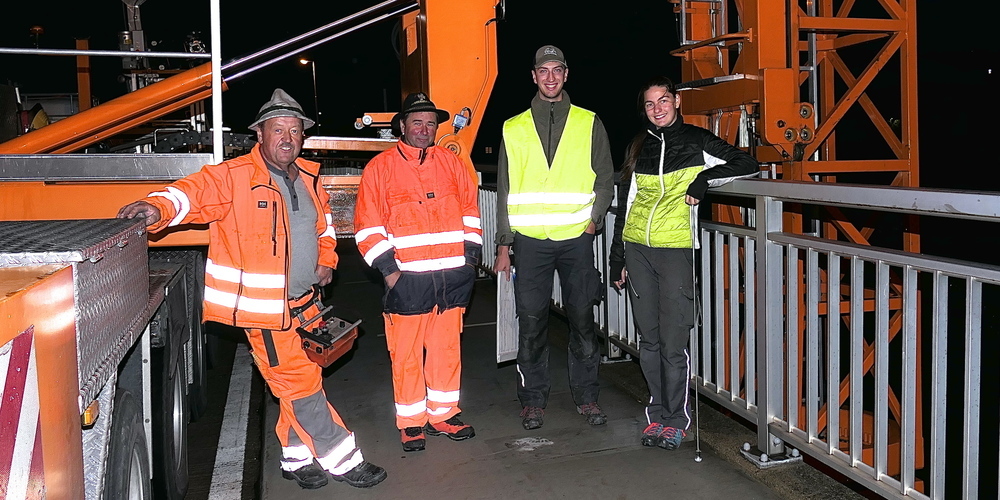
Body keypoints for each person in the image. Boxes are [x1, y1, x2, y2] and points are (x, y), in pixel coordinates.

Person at [118, 89, 386, 490]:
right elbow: (192, 193)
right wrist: (157, 208)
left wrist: (326, 262)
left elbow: (323, 228)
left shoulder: (310, 179)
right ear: (260, 134)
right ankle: (344, 460)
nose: (287, 138)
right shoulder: (234, 176)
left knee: (297, 384)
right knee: (300, 385)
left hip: (308, 304)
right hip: (265, 312)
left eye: (295, 131)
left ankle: (296, 460)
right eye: (278, 129)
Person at [608, 76, 759, 450]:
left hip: (675, 249)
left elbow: (748, 162)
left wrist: (704, 179)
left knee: (674, 342)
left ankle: (677, 418)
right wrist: (617, 259)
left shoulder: (696, 140)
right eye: (649, 104)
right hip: (637, 250)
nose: (657, 109)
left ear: (676, 101)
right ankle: (656, 415)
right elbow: (625, 206)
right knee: (650, 340)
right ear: (643, 109)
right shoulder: (637, 146)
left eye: (663, 101)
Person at [493, 45, 615, 430]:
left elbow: (605, 177)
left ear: (566, 74)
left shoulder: (588, 121)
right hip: (529, 241)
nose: (550, 77)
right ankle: (532, 401)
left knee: (582, 320)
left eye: (556, 70)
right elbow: (505, 188)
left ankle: (588, 397)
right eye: (543, 71)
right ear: (533, 76)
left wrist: (594, 220)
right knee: (531, 322)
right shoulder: (512, 127)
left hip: (577, 239)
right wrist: (503, 244)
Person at [354, 92, 482, 453]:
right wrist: (390, 272)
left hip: (452, 278)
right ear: (402, 126)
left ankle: (444, 414)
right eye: (417, 122)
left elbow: (471, 213)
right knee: (407, 356)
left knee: (446, 350)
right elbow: (367, 226)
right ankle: (412, 423)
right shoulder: (380, 168)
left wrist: (469, 262)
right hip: (407, 282)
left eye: (430, 123)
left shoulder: (452, 163)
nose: (424, 129)